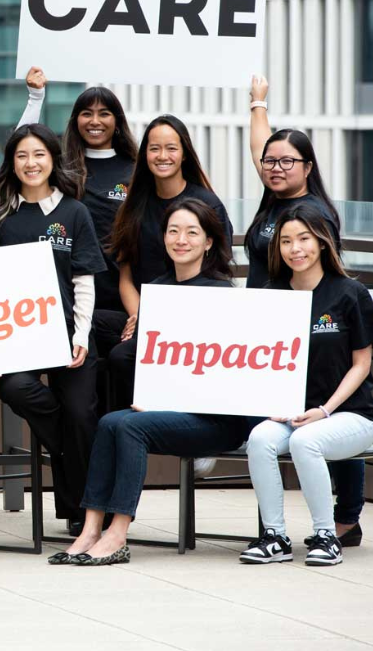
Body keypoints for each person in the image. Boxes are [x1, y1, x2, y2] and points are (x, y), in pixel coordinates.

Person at [55, 199, 254, 566]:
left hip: (216, 419)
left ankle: (118, 534)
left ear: (209, 242)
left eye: (192, 232)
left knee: (131, 429)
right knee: (110, 421)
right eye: (173, 231)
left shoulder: (223, 294)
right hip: (171, 411)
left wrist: (169, 402)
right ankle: (90, 529)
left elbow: (230, 374)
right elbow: (157, 363)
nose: (181, 240)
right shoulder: (159, 290)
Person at [243, 76, 363, 548]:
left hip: (306, 327)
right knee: (275, 425)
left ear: (307, 168)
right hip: (269, 328)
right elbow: (262, 149)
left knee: (327, 414)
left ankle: (346, 517)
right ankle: (275, 527)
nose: (274, 167)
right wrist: (258, 104)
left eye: (286, 162)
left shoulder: (311, 212)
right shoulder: (275, 197)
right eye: (271, 162)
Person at [240, 205, 373, 567]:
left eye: (304, 238)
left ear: (321, 242)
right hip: (294, 413)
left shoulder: (350, 293)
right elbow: (262, 360)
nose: (295, 248)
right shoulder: (274, 295)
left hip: (350, 416)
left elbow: (361, 364)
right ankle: (275, 536)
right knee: (259, 437)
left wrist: (324, 410)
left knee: (307, 441)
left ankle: (326, 536)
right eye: (286, 241)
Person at [0, 124, 106, 536]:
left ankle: (80, 511)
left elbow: (84, 280)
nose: (31, 163)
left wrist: (80, 335)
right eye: (22, 155)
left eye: (39, 154)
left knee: (80, 412)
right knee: (15, 389)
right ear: (12, 163)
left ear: (53, 159)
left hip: (70, 336)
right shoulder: (0, 215)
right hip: (18, 339)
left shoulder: (74, 212)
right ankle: (70, 451)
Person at [15, 67, 138, 411]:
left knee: (113, 394)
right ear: (75, 119)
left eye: (104, 113)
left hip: (119, 298)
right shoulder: (64, 167)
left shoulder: (135, 168)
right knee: (81, 402)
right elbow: (22, 146)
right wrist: (36, 97)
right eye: (86, 113)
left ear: (117, 120)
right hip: (71, 301)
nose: (94, 121)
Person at [108, 114, 233, 394]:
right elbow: (126, 278)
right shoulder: (133, 204)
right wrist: (141, 316)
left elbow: (219, 271)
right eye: (154, 148)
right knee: (111, 348)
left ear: (184, 154)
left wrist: (156, 317)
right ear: (145, 154)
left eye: (171, 148)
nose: (162, 156)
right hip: (141, 312)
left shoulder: (207, 203)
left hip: (195, 317)